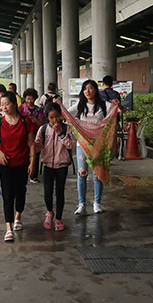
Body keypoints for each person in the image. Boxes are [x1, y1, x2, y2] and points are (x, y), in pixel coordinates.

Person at [0, 91, 37, 242]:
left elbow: (31, 143)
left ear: (15, 104)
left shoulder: (25, 121)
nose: (4, 107)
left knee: (20, 191)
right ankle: (8, 227)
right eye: (1, 104)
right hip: (6, 164)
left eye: (7, 104)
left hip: (22, 162)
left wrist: (32, 162)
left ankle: (18, 216)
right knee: (7, 194)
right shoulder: (0, 123)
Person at [68, 79, 120, 215]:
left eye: (90, 88)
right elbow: (66, 115)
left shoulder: (103, 104)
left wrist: (117, 105)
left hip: (98, 145)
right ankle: (81, 204)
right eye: (85, 89)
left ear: (96, 90)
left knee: (98, 174)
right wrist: (57, 106)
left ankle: (97, 203)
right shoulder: (80, 105)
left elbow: (118, 110)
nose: (88, 91)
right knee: (82, 174)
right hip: (82, 145)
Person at [34, 102, 75, 232]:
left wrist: (60, 134)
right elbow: (38, 145)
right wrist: (31, 146)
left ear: (61, 116)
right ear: (47, 117)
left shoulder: (67, 128)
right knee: (47, 191)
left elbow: (70, 145)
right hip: (47, 164)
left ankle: (58, 218)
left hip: (62, 164)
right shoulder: (44, 129)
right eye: (51, 117)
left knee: (60, 192)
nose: (55, 120)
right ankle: (49, 212)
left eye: (57, 117)